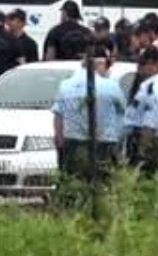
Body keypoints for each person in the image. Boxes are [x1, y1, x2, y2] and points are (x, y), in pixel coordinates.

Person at [52, 45, 126, 183]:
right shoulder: (111, 86)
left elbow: (58, 117)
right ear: (100, 63)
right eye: (107, 64)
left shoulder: (65, 85)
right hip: (105, 143)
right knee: (103, 184)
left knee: (74, 183)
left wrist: (61, 144)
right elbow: (123, 111)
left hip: (72, 142)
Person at [124, 46, 158, 177]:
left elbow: (151, 124)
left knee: (144, 180)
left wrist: (141, 151)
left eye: (142, 63)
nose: (139, 67)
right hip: (138, 138)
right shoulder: (145, 86)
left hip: (147, 141)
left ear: (155, 64)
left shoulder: (155, 90)